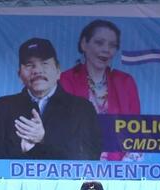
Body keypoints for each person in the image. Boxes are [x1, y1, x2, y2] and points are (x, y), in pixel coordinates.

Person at [0, 38, 102, 160]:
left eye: (44, 63)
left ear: (58, 70)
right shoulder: (2, 107)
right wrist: (23, 150)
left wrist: (44, 139)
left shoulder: (82, 108)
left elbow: (90, 156)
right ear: (19, 74)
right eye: (29, 65)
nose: (37, 70)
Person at [59, 19, 141, 161]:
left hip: (117, 166)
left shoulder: (125, 82)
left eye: (112, 45)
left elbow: (135, 129)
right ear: (84, 44)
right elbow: (62, 129)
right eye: (99, 43)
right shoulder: (65, 80)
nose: (106, 50)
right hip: (76, 162)